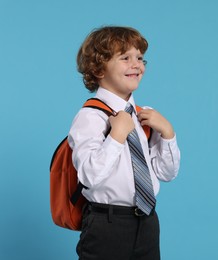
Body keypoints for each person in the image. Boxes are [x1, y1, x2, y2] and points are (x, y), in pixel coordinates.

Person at [68, 26, 181, 260]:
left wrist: (168, 133)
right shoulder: (91, 116)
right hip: (107, 224)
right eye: (125, 58)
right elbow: (88, 176)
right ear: (98, 68)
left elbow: (166, 173)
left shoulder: (143, 116)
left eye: (140, 58)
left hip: (148, 220)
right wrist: (116, 136)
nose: (136, 64)